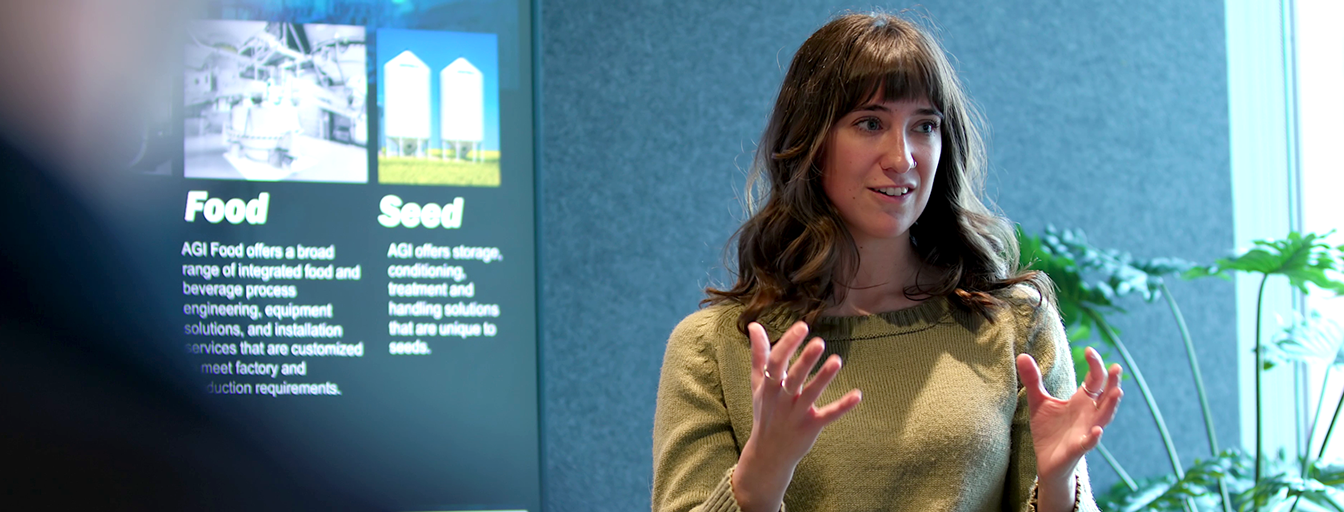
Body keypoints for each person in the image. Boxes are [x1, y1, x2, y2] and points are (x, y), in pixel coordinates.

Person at [652, 12, 1123, 512]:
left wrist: (1057, 486)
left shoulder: (1014, 323)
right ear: (809, 144)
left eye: (924, 126)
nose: (902, 158)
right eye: (870, 123)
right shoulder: (714, 349)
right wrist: (758, 480)